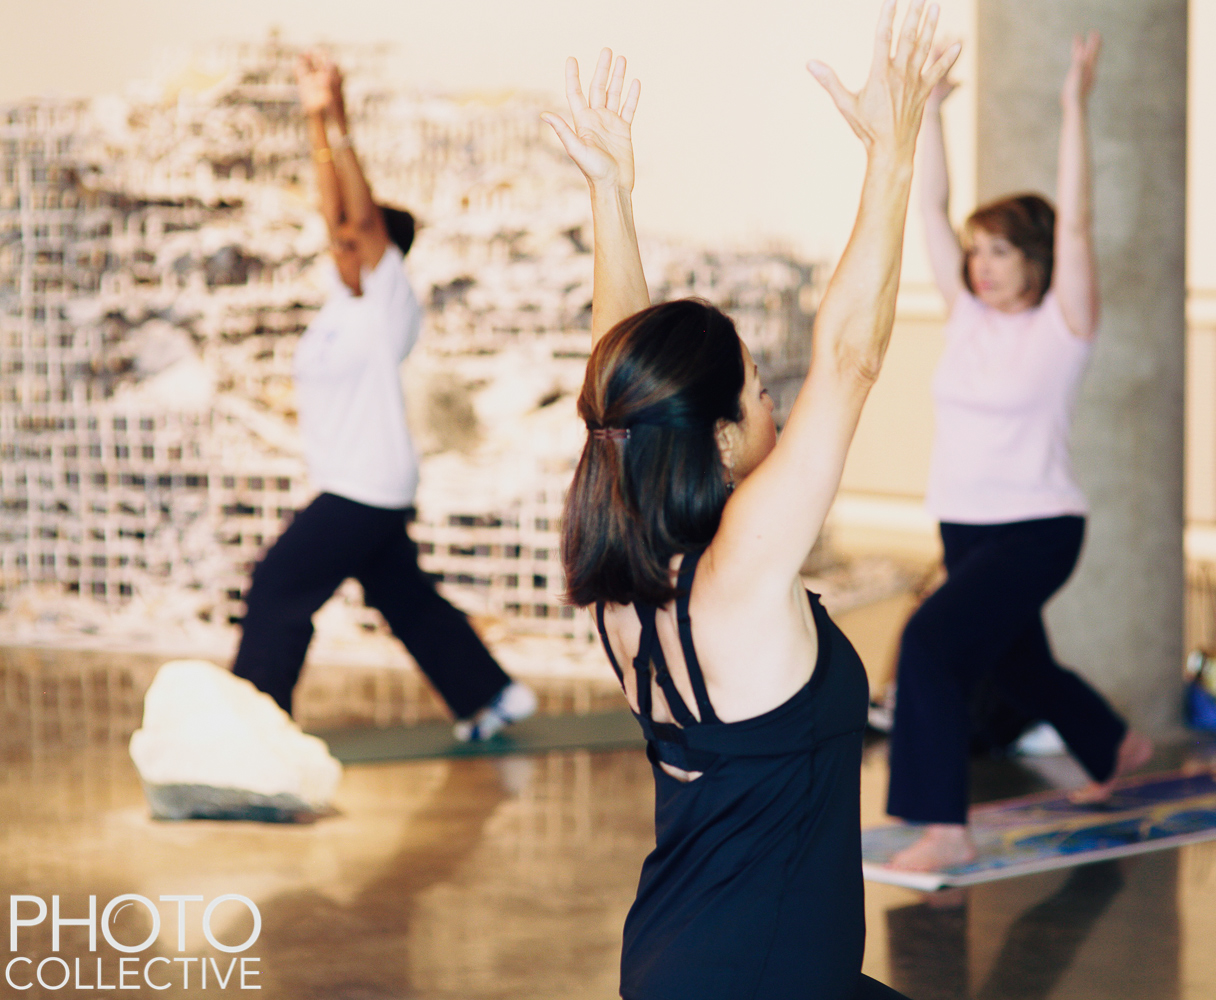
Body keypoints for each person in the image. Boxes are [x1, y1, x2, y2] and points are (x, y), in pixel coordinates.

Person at [541, 5, 960, 997]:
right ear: (720, 436)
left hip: (685, 960)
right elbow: (852, 358)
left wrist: (613, 193)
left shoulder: (628, 577)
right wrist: (894, 150)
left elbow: (624, 392)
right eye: (761, 387)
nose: (779, 395)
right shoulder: (743, 572)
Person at [882, 32, 1152, 873]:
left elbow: (1079, 225)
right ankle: (1114, 748)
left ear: (1035, 259)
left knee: (929, 645)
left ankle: (945, 827)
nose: (981, 264)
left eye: (1001, 250)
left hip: (1038, 527)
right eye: (977, 250)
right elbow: (927, 209)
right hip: (963, 526)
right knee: (1020, 662)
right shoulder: (966, 315)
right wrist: (930, 112)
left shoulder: (1062, 329)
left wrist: (1074, 103)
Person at [231, 51, 535, 741]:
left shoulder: (388, 299)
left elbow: (358, 218)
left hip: (362, 484)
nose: (338, 243)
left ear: (380, 251)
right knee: (402, 595)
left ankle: (255, 726)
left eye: (352, 240)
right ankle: (492, 695)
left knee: (277, 587)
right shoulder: (345, 300)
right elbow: (335, 209)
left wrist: (337, 115)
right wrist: (312, 116)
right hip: (365, 481)